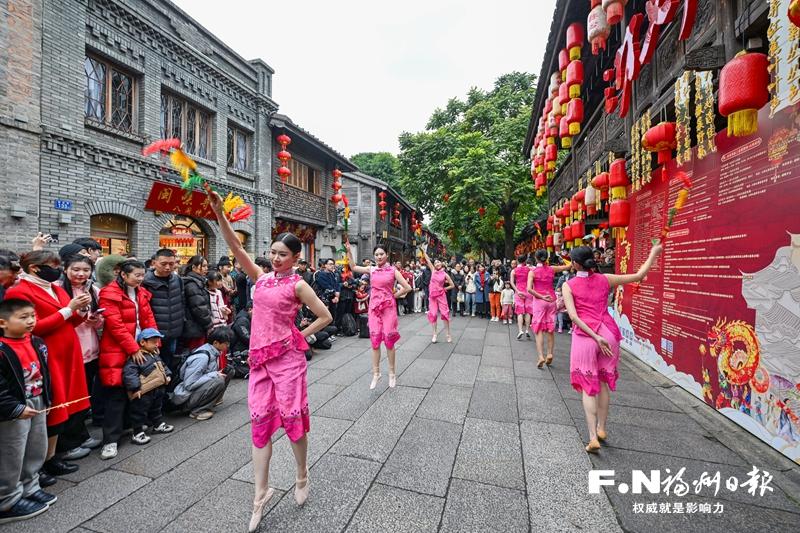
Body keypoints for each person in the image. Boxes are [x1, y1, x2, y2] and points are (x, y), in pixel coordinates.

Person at [208, 191, 332, 529]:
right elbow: (235, 247)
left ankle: (302, 473)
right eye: (273, 253)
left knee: (293, 424)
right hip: (260, 362)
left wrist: (299, 336)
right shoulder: (260, 279)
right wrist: (220, 214)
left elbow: (324, 316)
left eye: (283, 255)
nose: (276, 258)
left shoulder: (299, 285)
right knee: (260, 426)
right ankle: (259, 495)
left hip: (289, 361)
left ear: (295, 257)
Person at [562, 244, 661, 453]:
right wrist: (653, 253)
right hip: (609, 333)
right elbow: (638, 275)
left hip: (586, 337)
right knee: (603, 384)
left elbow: (573, 316)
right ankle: (602, 428)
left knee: (589, 388)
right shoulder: (605, 279)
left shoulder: (568, 285)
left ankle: (592, 438)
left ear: (575, 263)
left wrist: (595, 336)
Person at [5, 251, 91, 480]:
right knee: (53, 407)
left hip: (68, 353)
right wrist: (69, 309)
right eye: (53, 265)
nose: (57, 269)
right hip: (46, 355)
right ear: (34, 268)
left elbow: (70, 319)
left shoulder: (55, 287)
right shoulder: (19, 291)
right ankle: (40, 464)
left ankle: (54, 456)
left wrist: (82, 311)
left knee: (67, 405)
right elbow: (32, 326)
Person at [0, 298, 57, 523]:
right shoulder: (3, 350)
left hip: (37, 401)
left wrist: (47, 398)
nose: (31, 321)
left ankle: (30, 486)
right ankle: (6, 500)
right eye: (23, 317)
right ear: (2, 322)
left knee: (36, 446)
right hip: (13, 408)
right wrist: (13, 407)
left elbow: (45, 372)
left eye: (32, 316)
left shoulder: (36, 341)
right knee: (11, 452)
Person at [97, 259, 158, 460]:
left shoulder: (140, 292)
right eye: (137, 276)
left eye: (143, 275)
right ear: (123, 274)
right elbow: (115, 325)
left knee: (138, 391)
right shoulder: (109, 293)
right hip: (117, 349)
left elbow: (148, 318)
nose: (141, 279)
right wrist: (133, 348)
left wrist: (154, 342)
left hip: (140, 347)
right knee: (115, 395)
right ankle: (110, 441)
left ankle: (135, 429)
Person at [345, 242, 411, 390]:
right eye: (376, 255)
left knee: (389, 339)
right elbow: (354, 267)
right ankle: (376, 373)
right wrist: (349, 251)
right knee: (375, 340)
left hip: (388, 308)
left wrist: (394, 295)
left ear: (386, 255)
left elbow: (407, 287)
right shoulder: (372, 269)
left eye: (381, 254)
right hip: (374, 308)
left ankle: (392, 373)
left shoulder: (393, 270)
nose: (379, 257)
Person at [55, 255, 103, 453]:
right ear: (65, 268)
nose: (81, 274)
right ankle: (69, 441)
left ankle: (81, 434)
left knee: (85, 396)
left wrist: (96, 321)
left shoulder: (93, 289)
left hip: (91, 347)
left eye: (85, 270)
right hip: (69, 350)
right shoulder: (56, 289)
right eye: (75, 269)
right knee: (71, 398)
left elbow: (100, 320)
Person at [123, 328, 174, 445]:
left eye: (157, 342)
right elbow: (130, 373)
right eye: (153, 342)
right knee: (139, 412)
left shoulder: (155, 354)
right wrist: (135, 388)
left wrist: (168, 374)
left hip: (158, 387)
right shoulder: (136, 358)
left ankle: (157, 424)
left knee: (156, 408)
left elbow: (163, 365)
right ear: (142, 342)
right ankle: (137, 432)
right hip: (144, 391)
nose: (157, 344)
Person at [171, 327, 232, 421]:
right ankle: (197, 411)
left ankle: (213, 401)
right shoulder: (202, 357)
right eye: (226, 344)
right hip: (185, 398)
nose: (228, 346)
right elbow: (189, 384)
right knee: (218, 380)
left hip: (195, 392)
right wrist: (214, 375)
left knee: (229, 371)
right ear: (216, 343)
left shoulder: (214, 351)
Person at [527, 249, 573, 368]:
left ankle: (541, 356)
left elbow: (529, 289)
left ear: (536, 258)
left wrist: (541, 296)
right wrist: (564, 257)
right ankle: (550, 354)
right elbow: (568, 266)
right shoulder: (552, 269)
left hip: (540, 301)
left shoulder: (532, 272)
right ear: (546, 258)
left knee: (538, 329)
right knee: (550, 328)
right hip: (552, 300)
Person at [141, 249, 184, 372]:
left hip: (174, 330)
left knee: (170, 359)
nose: (168, 267)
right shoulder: (145, 282)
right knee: (153, 364)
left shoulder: (177, 280)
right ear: (154, 263)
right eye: (163, 264)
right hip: (154, 331)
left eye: (171, 264)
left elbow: (182, 302)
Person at [419, 246, 455, 343]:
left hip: (441, 295)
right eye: (435, 263)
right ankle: (434, 334)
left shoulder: (445, 274)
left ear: (441, 263)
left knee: (445, 314)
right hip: (432, 297)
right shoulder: (433, 271)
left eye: (438, 262)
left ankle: (448, 334)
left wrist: (444, 288)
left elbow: (452, 285)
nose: (437, 263)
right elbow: (427, 259)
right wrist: (423, 250)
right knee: (433, 314)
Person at [182, 255, 212, 351]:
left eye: (207, 266)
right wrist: (208, 324)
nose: (206, 269)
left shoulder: (199, 282)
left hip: (197, 326)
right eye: (203, 266)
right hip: (194, 327)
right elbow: (199, 308)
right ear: (194, 267)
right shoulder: (192, 284)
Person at [510, 255, 533, 340]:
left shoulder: (514, 271)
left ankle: (520, 330)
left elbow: (512, 282)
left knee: (520, 312)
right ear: (525, 261)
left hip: (519, 291)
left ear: (517, 261)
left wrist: (517, 291)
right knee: (527, 311)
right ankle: (527, 330)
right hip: (528, 291)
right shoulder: (529, 269)